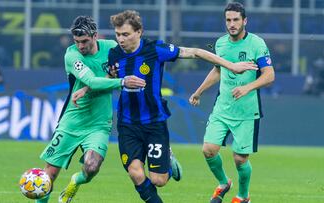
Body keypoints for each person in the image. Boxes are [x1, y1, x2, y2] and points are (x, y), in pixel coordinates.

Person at [106, 10, 257, 203]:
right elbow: (109, 79)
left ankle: (167, 161)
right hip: (128, 124)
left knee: (158, 180)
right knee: (135, 173)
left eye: (125, 34)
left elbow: (195, 52)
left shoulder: (155, 49)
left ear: (139, 32)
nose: (121, 39)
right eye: (118, 34)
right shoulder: (114, 54)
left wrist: (231, 66)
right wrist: (98, 84)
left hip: (154, 123)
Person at [36, 16, 146, 203]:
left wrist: (122, 74)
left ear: (95, 36)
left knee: (92, 166)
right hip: (72, 120)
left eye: (84, 41)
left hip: (99, 122)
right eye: (77, 41)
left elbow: (129, 61)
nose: (80, 46)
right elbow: (92, 81)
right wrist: (122, 81)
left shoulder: (111, 47)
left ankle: (75, 181)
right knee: (49, 175)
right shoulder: (72, 55)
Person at [189, 3, 275, 203]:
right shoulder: (220, 44)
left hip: (246, 112)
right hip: (222, 108)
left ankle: (243, 197)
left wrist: (247, 87)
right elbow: (218, 70)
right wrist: (199, 91)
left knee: (240, 159)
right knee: (208, 150)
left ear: (245, 21)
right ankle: (223, 183)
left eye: (236, 20)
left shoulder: (257, 44)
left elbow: (269, 75)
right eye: (228, 20)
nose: (232, 24)